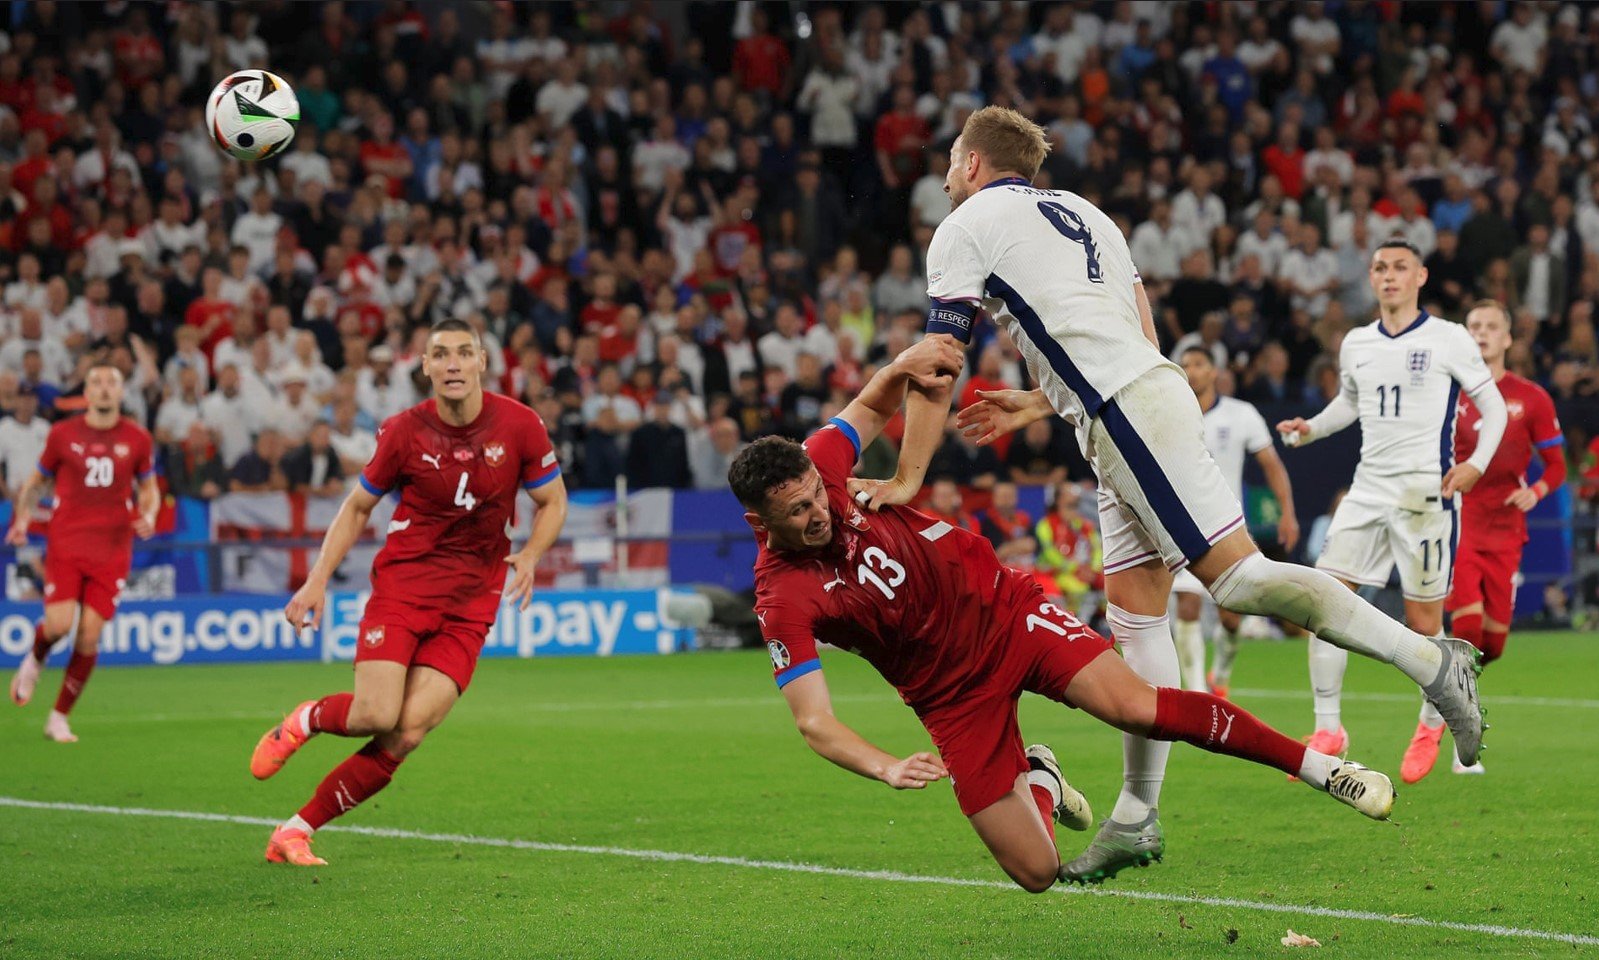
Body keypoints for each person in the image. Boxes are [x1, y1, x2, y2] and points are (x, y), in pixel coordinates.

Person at [852, 106, 1484, 884]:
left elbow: (939, 356)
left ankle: (1430, 660)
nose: (946, 173)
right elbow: (1139, 337)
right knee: (1136, 617)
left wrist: (908, 475)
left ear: (975, 163)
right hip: (1132, 405)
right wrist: (1038, 400)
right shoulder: (1089, 218)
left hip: (1124, 415)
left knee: (1238, 580)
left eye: (951, 159)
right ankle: (1135, 816)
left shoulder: (962, 224)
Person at [733, 340, 1394, 895]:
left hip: (1004, 614)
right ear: (757, 522)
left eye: (817, 494)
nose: (818, 509)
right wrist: (883, 766)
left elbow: (875, 401)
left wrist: (905, 360)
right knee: (1036, 872)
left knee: (1134, 706)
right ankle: (1041, 777)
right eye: (796, 511)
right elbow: (813, 719)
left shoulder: (819, 460)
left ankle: (1321, 769)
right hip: (948, 696)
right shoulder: (781, 597)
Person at [249, 319, 569, 867]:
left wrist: (533, 556)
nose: (452, 364)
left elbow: (553, 501)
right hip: (404, 588)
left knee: (408, 732)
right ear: (424, 367)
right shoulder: (403, 431)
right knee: (377, 714)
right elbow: (356, 508)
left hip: (471, 603)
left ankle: (295, 831)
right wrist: (317, 579)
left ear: (481, 363)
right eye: (440, 354)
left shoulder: (520, 425)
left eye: (463, 353)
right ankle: (307, 719)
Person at [1277, 241, 1507, 769]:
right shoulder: (1356, 342)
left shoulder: (1448, 338)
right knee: (1322, 603)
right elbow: (1351, 404)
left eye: (1400, 267)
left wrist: (1476, 464)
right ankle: (1328, 728)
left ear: (1421, 276)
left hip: (1425, 495)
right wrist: (1310, 428)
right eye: (1380, 267)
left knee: (1425, 622)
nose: (1389, 276)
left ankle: (1430, 727)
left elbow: (1492, 406)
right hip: (1366, 491)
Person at [1411, 300, 1564, 781]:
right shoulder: (1445, 392)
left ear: (1507, 339)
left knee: (1491, 645)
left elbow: (1557, 465)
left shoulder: (1531, 398)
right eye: (1473, 325)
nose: (1480, 333)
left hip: (1507, 528)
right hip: (1460, 520)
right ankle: (1450, 728)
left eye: (1491, 326)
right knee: (1469, 630)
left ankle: (1456, 707)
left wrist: (1535, 490)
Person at [7, 365, 159, 742]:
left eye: (112, 383)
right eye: (97, 383)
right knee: (58, 626)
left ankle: (58, 717)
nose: (105, 389)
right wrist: (23, 519)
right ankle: (36, 658)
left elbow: (149, 487)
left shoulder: (138, 438)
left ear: (122, 393)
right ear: (86, 393)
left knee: (89, 636)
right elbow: (36, 481)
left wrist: (151, 513)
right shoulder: (62, 434)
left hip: (113, 547)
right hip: (68, 542)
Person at [1171, 347, 1299, 698]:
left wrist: (1287, 512)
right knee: (1187, 603)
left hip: (1228, 528)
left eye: (1198, 364)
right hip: (1181, 525)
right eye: (1185, 365)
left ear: (1215, 372)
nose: (1191, 371)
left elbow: (1271, 464)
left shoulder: (1241, 415)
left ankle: (1221, 675)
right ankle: (1197, 694)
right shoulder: (1169, 413)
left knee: (1230, 617)